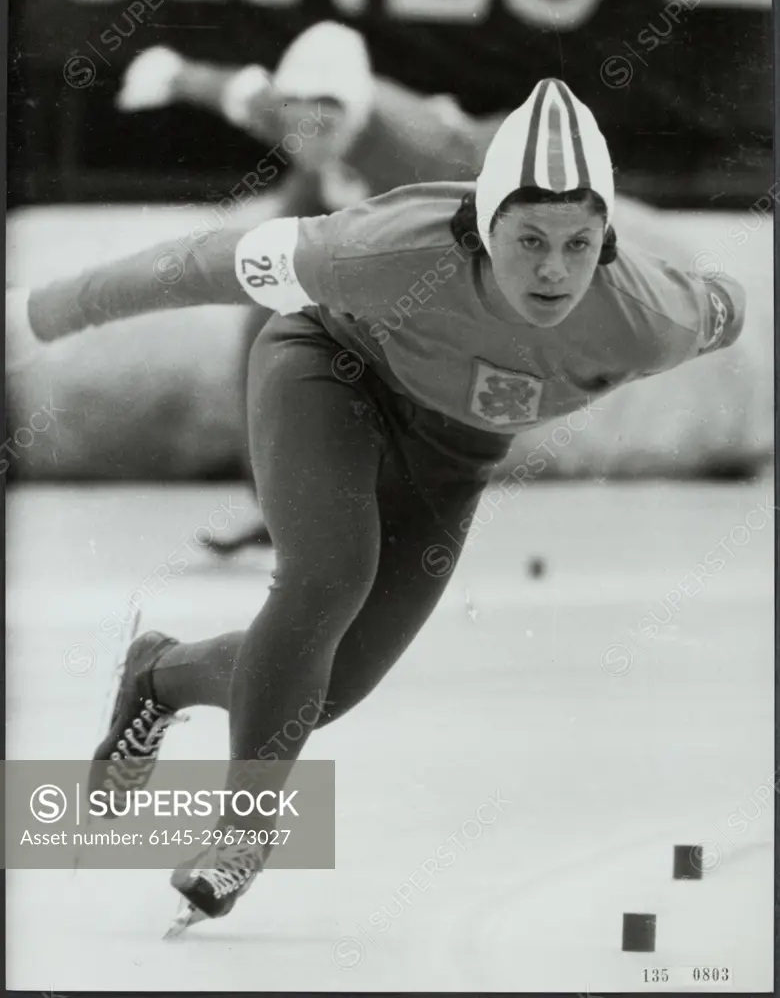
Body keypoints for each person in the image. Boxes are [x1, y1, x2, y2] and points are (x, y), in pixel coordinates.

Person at [8, 78, 746, 936]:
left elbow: (729, 302)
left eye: (581, 243)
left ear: (608, 240)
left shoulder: (650, 315)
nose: (554, 269)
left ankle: (159, 673)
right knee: (329, 574)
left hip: (453, 457)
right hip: (332, 372)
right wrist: (48, 310)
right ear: (482, 224)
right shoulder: (381, 248)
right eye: (530, 237)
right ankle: (241, 834)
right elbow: (202, 265)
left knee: (325, 689)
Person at [117, 21, 508, 554]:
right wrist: (170, 73)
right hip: (331, 207)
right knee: (265, 325)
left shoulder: (419, 154)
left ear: (356, 112)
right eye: (296, 126)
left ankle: (381, 503)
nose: (307, 141)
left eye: (323, 127)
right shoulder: (292, 109)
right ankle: (280, 506)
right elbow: (230, 88)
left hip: (450, 202)